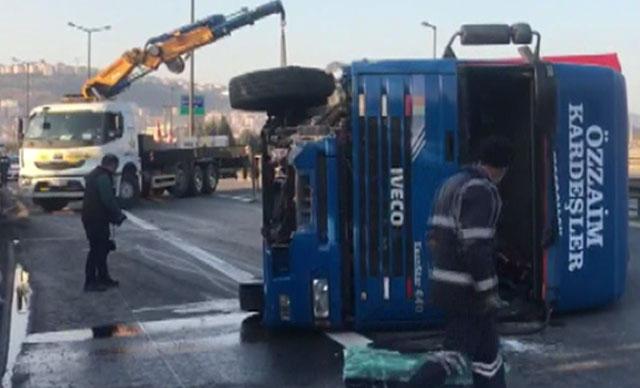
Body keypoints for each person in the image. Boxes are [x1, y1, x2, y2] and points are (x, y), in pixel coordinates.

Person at [409, 136, 514, 388]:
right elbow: (476, 247)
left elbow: (433, 238)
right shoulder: (481, 190)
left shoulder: (451, 184)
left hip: (447, 284)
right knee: (453, 356)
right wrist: (488, 291)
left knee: (488, 353)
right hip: (466, 291)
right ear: (500, 168)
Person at [81, 154, 127, 292]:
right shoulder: (103, 177)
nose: (115, 170)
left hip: (93, 217)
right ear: (112, 165)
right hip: (96, 219)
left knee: (102, 249)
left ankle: (103, 277)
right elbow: (108, 199)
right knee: (96, 250)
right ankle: (90, 282)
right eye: (116, 167)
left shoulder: (96, 174)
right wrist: (118, 215)